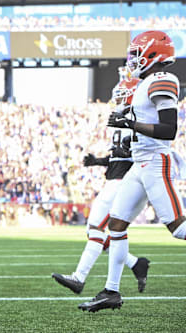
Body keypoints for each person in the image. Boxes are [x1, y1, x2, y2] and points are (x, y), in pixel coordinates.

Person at [79, 31, 185, 312]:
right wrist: (129, 133)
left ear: (153, 54)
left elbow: (168, 130)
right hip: (139, 164)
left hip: (155, 162)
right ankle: (111, 292)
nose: (134, 59)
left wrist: (130, 125)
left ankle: (111, 291)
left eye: (139, 53)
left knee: (178, 228)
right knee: (116, 225)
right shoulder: (146, 83)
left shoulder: (163, 80)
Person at [52, 76, 149, 295]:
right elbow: (118, 157)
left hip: (124, 183)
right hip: (112, 181)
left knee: (98, 229)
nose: (118, 99)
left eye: (123, 94)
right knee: (93, 229)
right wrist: (98, 161)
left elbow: (143, 152)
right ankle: (135, 264)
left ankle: (79, 278)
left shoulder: (139, 119)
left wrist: (131, 151)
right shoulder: (123, 120)